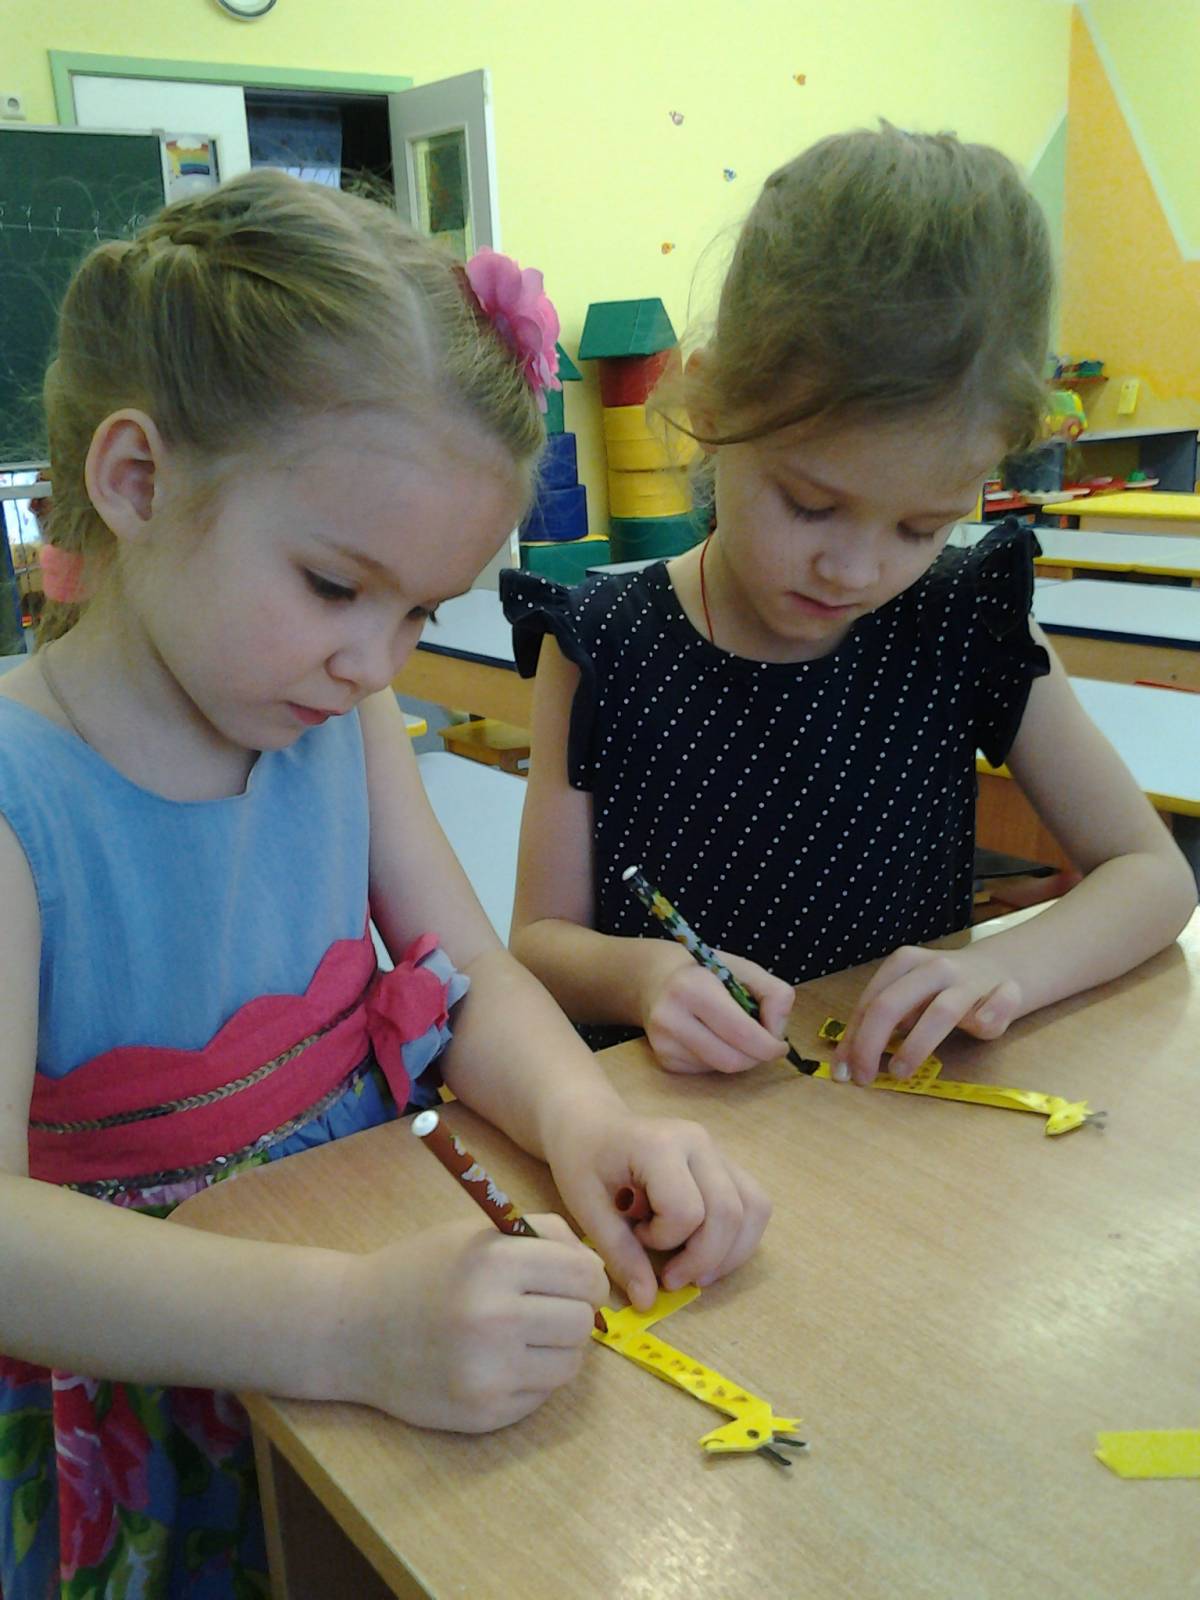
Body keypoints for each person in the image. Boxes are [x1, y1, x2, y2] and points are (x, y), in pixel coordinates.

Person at [0, 171, 769, 1598]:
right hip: (154, 1415)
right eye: (334, 585)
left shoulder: (335, 715)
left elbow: (467, 970)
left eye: (418, 609)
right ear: (138, 482)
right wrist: (351, 1322)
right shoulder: (16, 799)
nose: (377, 660)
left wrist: (589, 1119)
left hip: (390, 1314)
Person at [501, 124, 1196, 1087]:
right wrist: (648, 979)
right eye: (811, 504)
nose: (855, 570)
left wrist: (1004, 968)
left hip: (889, 1116)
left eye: (922, 525)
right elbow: (539, 941)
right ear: (708, 406)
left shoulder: (963, 618)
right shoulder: (603, 644)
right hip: (674, 1130)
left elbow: (1153, 876)